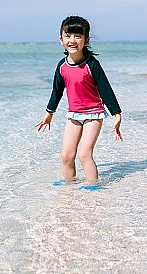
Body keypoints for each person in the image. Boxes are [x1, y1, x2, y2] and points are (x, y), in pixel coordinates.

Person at [35, 16, 122, 183]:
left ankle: (93, 187)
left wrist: (116, 114)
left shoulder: (92, 64)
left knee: (84, 154)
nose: (72, 40)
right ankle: (69, 186)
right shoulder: (62, 66)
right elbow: (57, 91)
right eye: (68, 36)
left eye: (78, 36)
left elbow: (105, 89)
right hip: (74, 115)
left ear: (86, 40)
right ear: (61, 40)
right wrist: (49, 113)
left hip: (93, 114)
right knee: (66, 155)